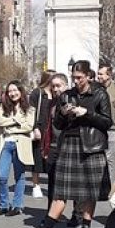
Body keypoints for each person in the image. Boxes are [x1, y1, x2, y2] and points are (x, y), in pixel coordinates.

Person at [27, 60, 111, 228]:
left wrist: (86, 113)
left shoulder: (99, 93)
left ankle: (86, 226)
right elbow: (57, 124)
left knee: (90, 190)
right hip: (70, 143)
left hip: (91, 145)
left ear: (89, 76)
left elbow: (107, 122)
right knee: (60, 189)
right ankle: (48, 227)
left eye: (80, 77)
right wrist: (63, 114)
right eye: (74, 77)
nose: (76, 81)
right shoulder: (66, 95)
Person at [0, 81, 35, 216]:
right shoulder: (3, 107)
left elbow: (28, 126)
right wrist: (16, 121)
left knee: (20, 176)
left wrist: (9, 126)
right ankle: (3, 204)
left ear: (21, 91)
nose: (12, 93)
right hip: (5, 143)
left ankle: (17, 205)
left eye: (15, 90)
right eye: (10, 91)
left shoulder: (29, 108)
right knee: (2, 177)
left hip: (20, 144)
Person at [42, 73, 68, 213]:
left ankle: (77, 215)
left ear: (65, 86)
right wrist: (45, 148)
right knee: (52, 184)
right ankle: (50, 214)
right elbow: (47, 127)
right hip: (53, 146)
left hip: (67, 147)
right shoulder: (51, 103)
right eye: (53, 87)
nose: (56, 89)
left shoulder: (71, 101)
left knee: (71, 184)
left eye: (59, 86)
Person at [97, 64, 115, 186]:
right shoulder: (95, 89)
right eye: (98, 74)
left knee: (110, 158)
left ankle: (109, 185)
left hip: (112, 129)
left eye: (101, 74)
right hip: (97, 127)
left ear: (108, 75)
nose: (98, 76)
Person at [29, 72, 54, 195]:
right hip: (39, 128)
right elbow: (31, 112)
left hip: (52, 129)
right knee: (37, 157)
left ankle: (52, 184)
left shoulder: (56, 93)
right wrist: (34, 127)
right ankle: (36, 185)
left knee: (51, 157)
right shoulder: (37, 93)